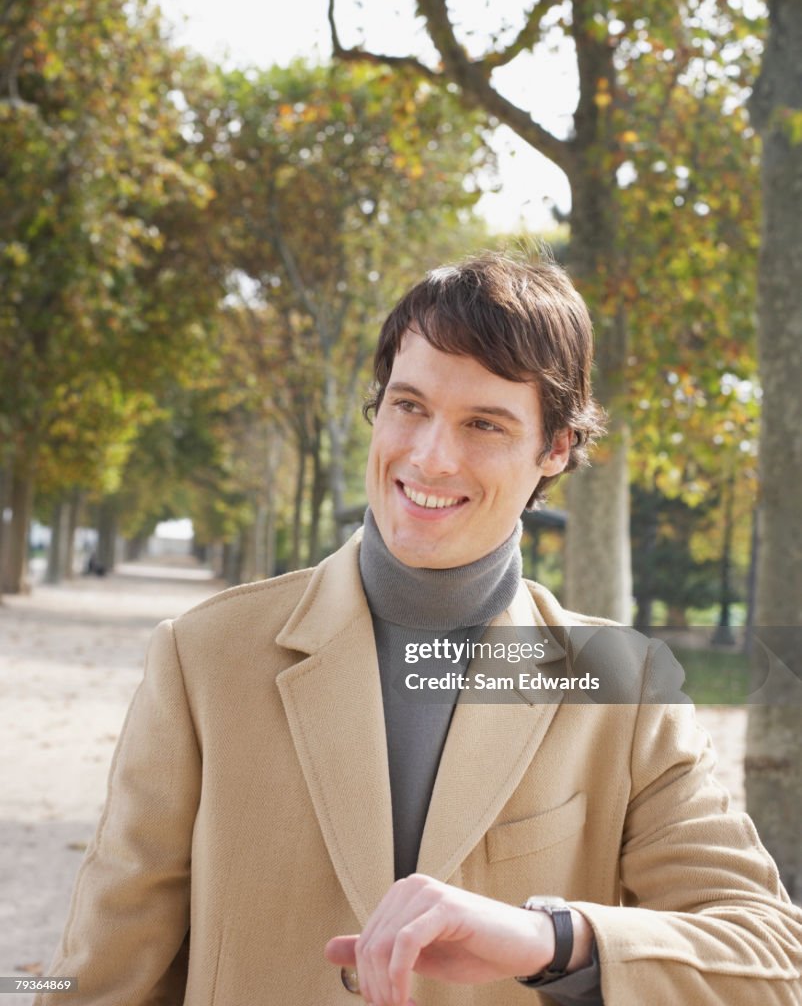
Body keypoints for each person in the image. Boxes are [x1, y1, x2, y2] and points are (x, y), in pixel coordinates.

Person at [37, 253, 801, 1005]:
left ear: (557, 448)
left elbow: (772, 958)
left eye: (485, 424)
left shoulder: (620, 683)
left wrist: (552, 939)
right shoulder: (203, 656)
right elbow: (99, 979)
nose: (431, 457)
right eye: (410, 406)